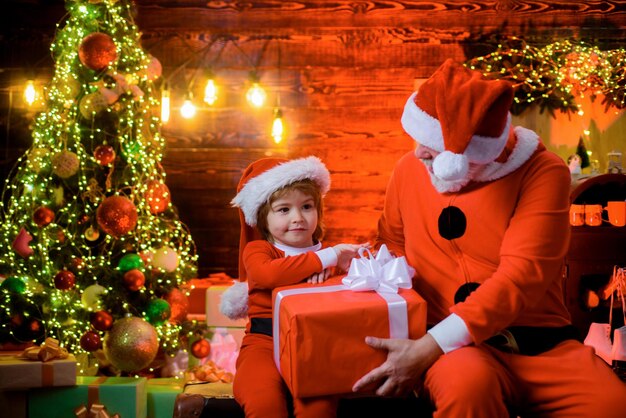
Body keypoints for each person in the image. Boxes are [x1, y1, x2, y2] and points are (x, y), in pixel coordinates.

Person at [352, 59, 626, 417]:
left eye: (431, 143)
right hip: (454, 350)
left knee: (612, 404)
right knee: (468, 390)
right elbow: (392, 247)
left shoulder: (544, 172)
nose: (418, 151)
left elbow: (522, 276)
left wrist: (429, 346)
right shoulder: (408, 170)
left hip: (539, 344)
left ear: (474, 151)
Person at [229, 156, 366, 418]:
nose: (298, 218)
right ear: (262, 218)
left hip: (314, 348)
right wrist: (326, 259)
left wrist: (341, 268)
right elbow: (266, 275)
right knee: (263, 403)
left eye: (306, 206)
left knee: (318, 409)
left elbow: (355, 295)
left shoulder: (331, 254)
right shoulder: (260, 250)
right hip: (263, 345)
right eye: (284, 210)